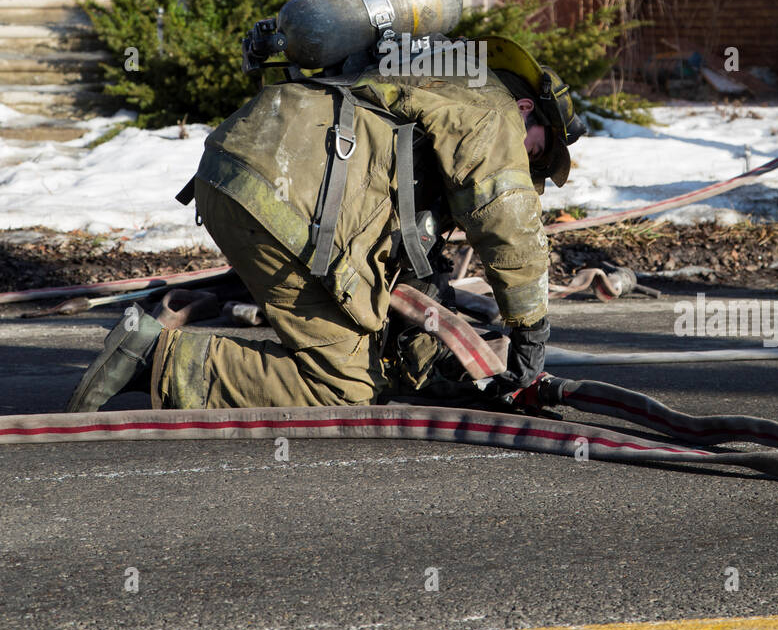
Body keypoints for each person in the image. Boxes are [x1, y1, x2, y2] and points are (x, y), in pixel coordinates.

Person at [65, 36, 583, 414]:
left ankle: (149, 351)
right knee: (346, 387)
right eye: (534, 153)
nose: (527, 166)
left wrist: (434, 354)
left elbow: (397, 238)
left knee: (358, 335)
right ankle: (153, 356)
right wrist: (530, 328)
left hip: (237, 171)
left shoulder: (438, 78)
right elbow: (506, 220)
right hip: (286, 198)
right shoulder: (493, 113)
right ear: (524, 109)